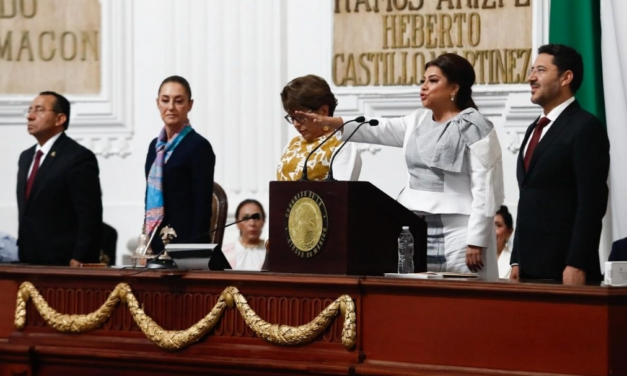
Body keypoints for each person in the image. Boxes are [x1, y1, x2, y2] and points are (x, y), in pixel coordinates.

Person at [298, 54, 504, 279]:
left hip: (460, 232)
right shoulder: (417, 121)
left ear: (454, 87)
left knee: (463, 301)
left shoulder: (476, 126)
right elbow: (377, 127)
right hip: (415, 228)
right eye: (423, 80)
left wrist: (476, 239)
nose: (424, 87)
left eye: (433, 81)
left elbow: (486, 188)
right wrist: (333, 123)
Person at [510, 44, 610, 284]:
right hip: (527, 268)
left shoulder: (585, 127)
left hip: (564, 268)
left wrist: (577, 262)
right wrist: (516, 259)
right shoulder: (534, 128)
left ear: (566, 77)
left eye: (541, 70)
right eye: (532, 70)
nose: (531, 77)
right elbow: (527, 197)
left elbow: (591, 203)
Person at [16, 91, 103, 266]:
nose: (30, 116)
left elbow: (89, 214)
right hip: (28, 259)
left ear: (60, 119)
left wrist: (81, 256)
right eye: (30, 110)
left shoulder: (77, 157)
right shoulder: (26, 157)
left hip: (63, 261)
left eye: (39, 110)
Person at [144, 76, 215, 254]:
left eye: (179, 101)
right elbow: (149, 198)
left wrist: (192, 251)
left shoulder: (199, 146)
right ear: (157, 103)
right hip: (156, 241)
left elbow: (202, 206)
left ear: (190, 105)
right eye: (165, 100)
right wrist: (146, 242)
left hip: (186, 244)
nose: (171, 107)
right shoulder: (155, 147)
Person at [277, 75, 361, 181]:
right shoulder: (292, 144)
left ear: (323, 111)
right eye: (292, 117)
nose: (296, 124)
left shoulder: (341, 145)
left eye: (300, 117)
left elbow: (341, 194)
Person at [222, 199, 267, 270]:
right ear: (237, 223)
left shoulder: (271, 254)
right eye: (246, 218)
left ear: (263, 222)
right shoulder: (224, 254)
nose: (252, 223)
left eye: (256, 218)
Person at [495, 206, 514, 279]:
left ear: (509, 232)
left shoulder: (513, 263)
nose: (492, 230)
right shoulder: (473, 258)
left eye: (498, 225)